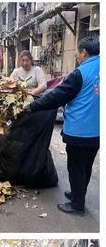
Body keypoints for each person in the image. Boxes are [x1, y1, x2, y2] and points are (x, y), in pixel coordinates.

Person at [24, 37, 99, 215]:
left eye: (78, 54)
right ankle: (77, 193)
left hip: (80, 131)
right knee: (86, 166)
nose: (78, 58)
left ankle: (77, 205)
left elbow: (57, 96)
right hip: (97, 131)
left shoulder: (81, 72)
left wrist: (31, 107)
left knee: (76, 168)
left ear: (84, 52)